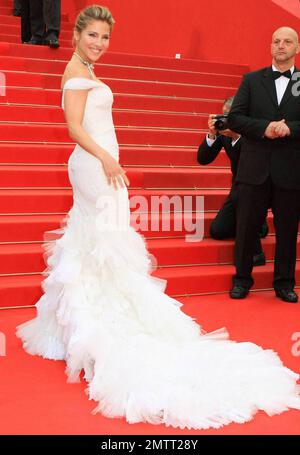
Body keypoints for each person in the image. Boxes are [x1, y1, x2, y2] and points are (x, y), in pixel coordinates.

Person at [16, 6, 300, 430]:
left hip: (101, 164)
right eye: (92, 35)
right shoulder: (75, 73)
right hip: (95, 166)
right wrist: (107, 159)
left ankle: (83, 326)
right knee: (102, 242)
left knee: (96, 243)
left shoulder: (86, 69)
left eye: (105, 38)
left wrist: (108, 159)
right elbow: (74, 126)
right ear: (75, 35)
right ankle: (95, 329)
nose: (99, 43)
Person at [228, 27, 300, 302]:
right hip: (254, 168)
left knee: (287, 230)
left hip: (290, 171)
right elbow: (235, 118)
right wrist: (265, 127)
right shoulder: (251, 80)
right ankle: (242, 279)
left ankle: (284, 283)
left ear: (297, 48)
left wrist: (289, 129)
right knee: (246, 228)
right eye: (276, 41)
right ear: (270, 46)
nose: (281, 46)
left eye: (287, 42)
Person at [197, 97, 268, 267]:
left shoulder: (255, 130)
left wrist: (237, 136)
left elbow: (251, 162)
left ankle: (256, 253)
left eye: (231, 117)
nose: (226, 121)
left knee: (243, 198)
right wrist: (212, 135)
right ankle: (257, 224)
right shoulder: (224, 132)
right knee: (218, 231)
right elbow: (203, 159)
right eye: (224, 116)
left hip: (257, 188)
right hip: (238, 189)